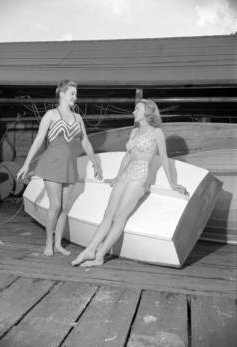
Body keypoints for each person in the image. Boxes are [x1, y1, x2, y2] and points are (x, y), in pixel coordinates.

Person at [71, 99, 188, 267]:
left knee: (119, 218)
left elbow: (164, 158)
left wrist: (172, 183)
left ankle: (100, 256)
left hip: (141, 175)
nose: (133, 112)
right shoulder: (134, 132)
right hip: (127, 174)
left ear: (147, 113)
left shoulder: (157, 133)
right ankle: (90, 249)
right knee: (107, 215)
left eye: (137, 109)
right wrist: (118, 176)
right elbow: (127, 156)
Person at [17, 80, 102, 256]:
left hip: (70, 166)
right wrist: (26, 164)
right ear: (62, 94)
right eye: (72, 93)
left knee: (64, 207)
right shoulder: (51, 114)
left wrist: (95, 162)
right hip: (52, 165)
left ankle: (58, 244)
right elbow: (39, 139)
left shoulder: (78, 118)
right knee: (55, 205)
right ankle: (48, 243)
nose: (75, 97)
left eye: (76, 94)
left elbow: (85, 141)